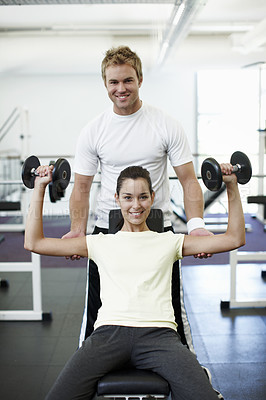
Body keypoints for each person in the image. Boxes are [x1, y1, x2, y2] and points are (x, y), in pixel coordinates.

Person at [25, 163, 245, 400]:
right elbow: (34, 243)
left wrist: (232, 185)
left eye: (142, 197)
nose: (136, 205)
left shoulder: (169, 241)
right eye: (128, 197)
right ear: (117, 198)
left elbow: (234, 238)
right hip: (107, 336)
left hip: (159, 337)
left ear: (152, 198)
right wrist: (39, 187)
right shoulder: (99, 242)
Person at [63, 45, 212, 352]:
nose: (121, 89)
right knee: (98, 306)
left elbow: (188, 179)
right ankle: (86, 369)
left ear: (140, 79)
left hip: (156, 228)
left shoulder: (165, 123)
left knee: (170, 307)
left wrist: (196, 225)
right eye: (113, 82)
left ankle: (193, 371)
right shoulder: (94, 131)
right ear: (105, 84)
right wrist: (78, 230)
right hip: (108, 230)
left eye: (127, 80)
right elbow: (81, 187)